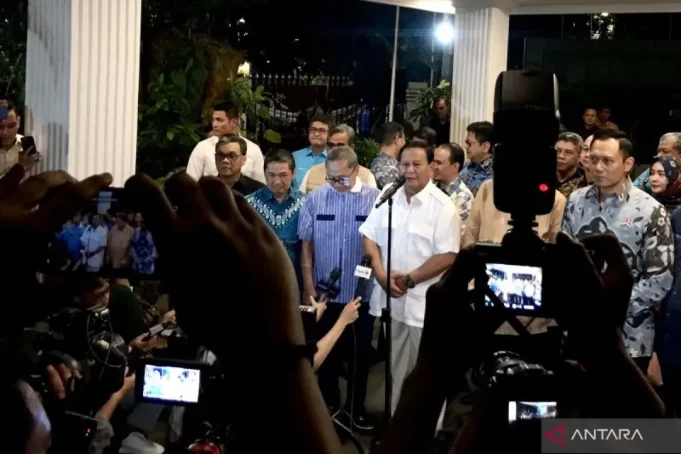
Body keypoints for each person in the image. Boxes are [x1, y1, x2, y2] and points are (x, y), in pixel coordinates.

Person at [360, 141, 459, 414]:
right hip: (391, 302)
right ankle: (396, 426)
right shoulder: (388, 196)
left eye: (417, 164)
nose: (410, 170)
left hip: (424, 306)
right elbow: (368, 236)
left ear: (431, 167)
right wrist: (381, 274)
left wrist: (410, 279)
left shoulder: (442, 206)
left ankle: (426, 433)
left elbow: (448, 255)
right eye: (405, 164)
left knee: (426, 375)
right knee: (395, 371)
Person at [562, 129, 674, 370]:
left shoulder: (650, 210)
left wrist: (609, 306)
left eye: (607, 161)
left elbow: (660, 279)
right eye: (593, 159)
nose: (598, 167)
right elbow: (565, 261)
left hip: (630, 337)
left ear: (627, 164)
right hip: (579, 333)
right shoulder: (575, 201)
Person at [297, 146, 380, 431]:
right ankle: (329, 410)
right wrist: (308, 287)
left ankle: (356, 411)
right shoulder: (315, 199)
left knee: (360, 357)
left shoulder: (375, 200)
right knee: (326, 358)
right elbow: (306, 247)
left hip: (360, 296)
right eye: (330, 178)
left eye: (341, 178)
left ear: (356, 170)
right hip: (324, 296)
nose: (335, 183)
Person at [247, 149, 306, 288]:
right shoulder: (248, 204)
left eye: (283, 175)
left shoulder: (307, 203)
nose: (277, 181)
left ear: (293, 173)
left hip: (296, 282)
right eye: (271, 175)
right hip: (258, 281)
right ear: (264, 173)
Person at [186, 102, 266, 183]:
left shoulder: (253, 150)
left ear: (234, 122)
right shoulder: (202, 147)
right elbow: (190, 183)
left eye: (219, 120)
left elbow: (260, 186)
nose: (214, 124)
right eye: (213, 120)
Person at [298, 124, 377, 193]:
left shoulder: (367, 177)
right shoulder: (312, 173)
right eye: (331, 145)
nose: (335, 150)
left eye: (340, 146)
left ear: (351, 148)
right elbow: (301, 203)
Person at [432, 142, 473, 224]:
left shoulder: (464, 197)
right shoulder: (429, 188)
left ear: (455, 167)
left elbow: (459, 230)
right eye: (434, 162)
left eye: (439, 163)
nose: (434, 166)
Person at [292, 115, 333, 189]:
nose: (316, 134)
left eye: (322, 130)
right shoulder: (295, 157)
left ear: (329, 135)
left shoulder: (334, 159)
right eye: (313, 129)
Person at [460, 121, 494, 196]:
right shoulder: (467, 165)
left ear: (485, 147)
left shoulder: (492, 176)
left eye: (469, 143)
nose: (466, 146)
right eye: (466, 143)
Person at [371, 122, 405, 189]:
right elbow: (397, 193)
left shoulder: (381, 162)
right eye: (404, 138)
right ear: (397, 139)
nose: (405, 142)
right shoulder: (387, 168)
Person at [555, 132, 588, 199]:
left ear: (579, 157)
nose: (561, 156)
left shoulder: (585, 182)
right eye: (558, 151)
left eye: (568, 152)